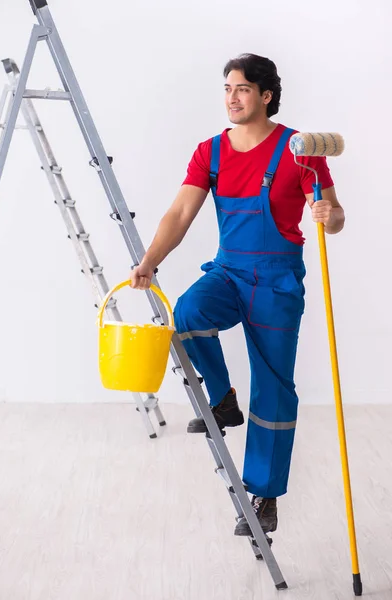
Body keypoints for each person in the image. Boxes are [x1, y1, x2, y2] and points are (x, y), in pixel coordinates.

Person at [129, 53, 345, 537]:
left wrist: (330, 217)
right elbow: (180, 214)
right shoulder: (210, 152)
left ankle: (265, 496)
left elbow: (333, 211)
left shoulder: (300, 149)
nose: (232, 97)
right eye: (227, 88)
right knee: (186, 314)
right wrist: (150, 260)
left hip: (277, 281)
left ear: (265, 96)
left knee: (272, 386)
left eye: (242, 89)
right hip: (229, 272)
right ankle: (223, 399)